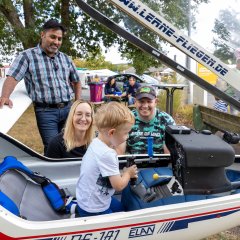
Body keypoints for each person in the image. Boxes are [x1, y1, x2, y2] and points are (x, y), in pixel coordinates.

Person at [0, 19, 81, 154]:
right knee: (52, 148)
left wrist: (78, 103)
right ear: (42, 35)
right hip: (46, 113)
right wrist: (5, 96)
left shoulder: (65, 58)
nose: (56, 42)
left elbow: (76, 81)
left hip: (68, 109)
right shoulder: (27, 56)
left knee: (72, 145)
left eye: (59, 39)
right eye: (53, 37)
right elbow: (13, 77)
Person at [76, 102, 138, 217]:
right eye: (126, 133)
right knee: (121, 222)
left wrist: (122, 174)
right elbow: (118, 186)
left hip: (86, 199)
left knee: (121, 209)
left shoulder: (95, 142)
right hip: (93, 208)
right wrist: (128, 174)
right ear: (112, 133)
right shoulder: (107, 154)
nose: (128, 137)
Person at [117, 85, 175, 155]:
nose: (145, 106)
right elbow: (119, 152)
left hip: (160, 164)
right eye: (141, 101)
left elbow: (168, 155)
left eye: (149, 101)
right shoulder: (125, 119)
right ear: (135, 102)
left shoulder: (166, 120)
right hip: (132, 164)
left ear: (156, 102)